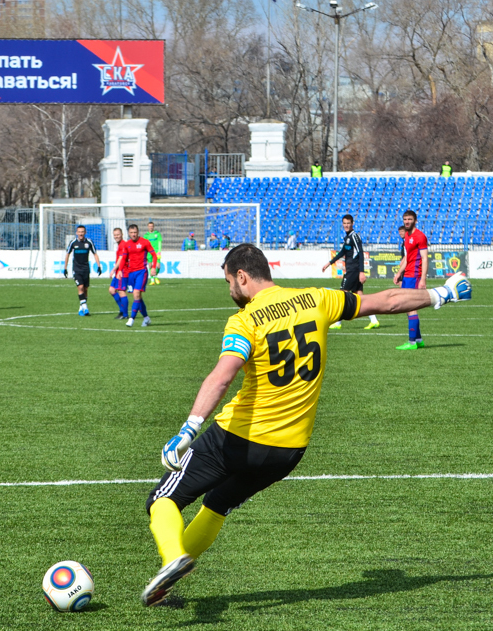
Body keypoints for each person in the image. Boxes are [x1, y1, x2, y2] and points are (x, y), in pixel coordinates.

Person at [140, 244, 472, 606]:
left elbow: (222, 375)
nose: (230, 291)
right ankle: (167, 580)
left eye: (228, 282)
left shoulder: (244, 320)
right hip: (288, 452)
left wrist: (188, 429)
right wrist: (442, 293)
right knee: (218, 504)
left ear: (242, 276)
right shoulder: (316, 299)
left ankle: (173, 558)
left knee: (162, 499)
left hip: (240, 436)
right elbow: (386, 301)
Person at [322, 214, 380, 330]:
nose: (346, 225)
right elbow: (342, 252)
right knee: (360, 297)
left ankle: (337, 323)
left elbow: (361, 253)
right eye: (344, 223)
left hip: (353, 271)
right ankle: (374, 320)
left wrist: (361, 272)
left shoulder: (354, 237)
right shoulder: (348, 237)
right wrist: (330, 263)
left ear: (352, 224)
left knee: (342, 295)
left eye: (348, 223)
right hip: (352, 270)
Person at [392, 211, 428, 350]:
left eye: (410, 219)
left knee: (411, 307)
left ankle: (412, 342)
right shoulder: (406, 235)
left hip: (415, 275)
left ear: (415, 220)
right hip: (407, 275)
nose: (407, 221)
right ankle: (418, 340)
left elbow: (424, 258)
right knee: (407, 307)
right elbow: (408, 257)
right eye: (405, 219)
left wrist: (423, 279)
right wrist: (399, 273)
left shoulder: (420, 236)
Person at [114, 224, 158, 328]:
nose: (133, 234)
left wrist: (153, 267)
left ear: (138, 232)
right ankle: (146, 318)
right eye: (131, 233)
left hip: (142, 272)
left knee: (136, 293)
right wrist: (120, 270)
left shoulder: (144, 242)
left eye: (135, 232)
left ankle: (131, 319)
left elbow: (154, 255)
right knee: (137, 297)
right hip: (130, 273)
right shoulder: (127, 244)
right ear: (128, 233)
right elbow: (124, 259)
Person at [64, 225, 102, 316]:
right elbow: (67, 254)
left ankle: (81, 308)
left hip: (86, 269)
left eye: (82, 232)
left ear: (85, 233)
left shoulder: (89, 242)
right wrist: (65, 268)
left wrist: (99, 266)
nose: (81, 233)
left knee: (85, 289)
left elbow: (95, 254)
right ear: (76, 233)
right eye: (79, 232)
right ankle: (85, 307)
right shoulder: (73, 242)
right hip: (76, 269)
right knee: (80, 287)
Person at [108, 227, 129, 320]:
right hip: (119, 271)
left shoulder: (123, 244)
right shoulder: (120, 245)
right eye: (115, 235)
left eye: (118, 234)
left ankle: (125, 314)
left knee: (121, 291)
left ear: (122, 234)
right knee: (112, 290)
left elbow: (121, 259)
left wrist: (113, 269)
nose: (116, 236)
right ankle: (122, 310)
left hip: (123, 271)